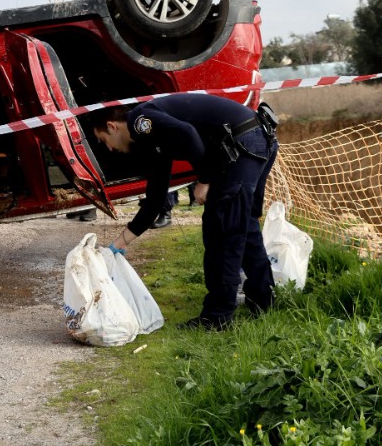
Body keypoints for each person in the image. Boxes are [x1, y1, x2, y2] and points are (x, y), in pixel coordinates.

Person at [91, 94, 279, 331]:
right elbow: (156, 198)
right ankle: (263, 303)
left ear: (112, 126)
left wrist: (204, 179)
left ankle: (217, 318)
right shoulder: (151, 137)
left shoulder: (140, 120)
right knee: (243, 226)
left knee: (222, 230)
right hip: (257, 139)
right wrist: (120, 243)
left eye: (104, 140)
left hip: (244, 143)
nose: (109, 147)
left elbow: (188, 133)